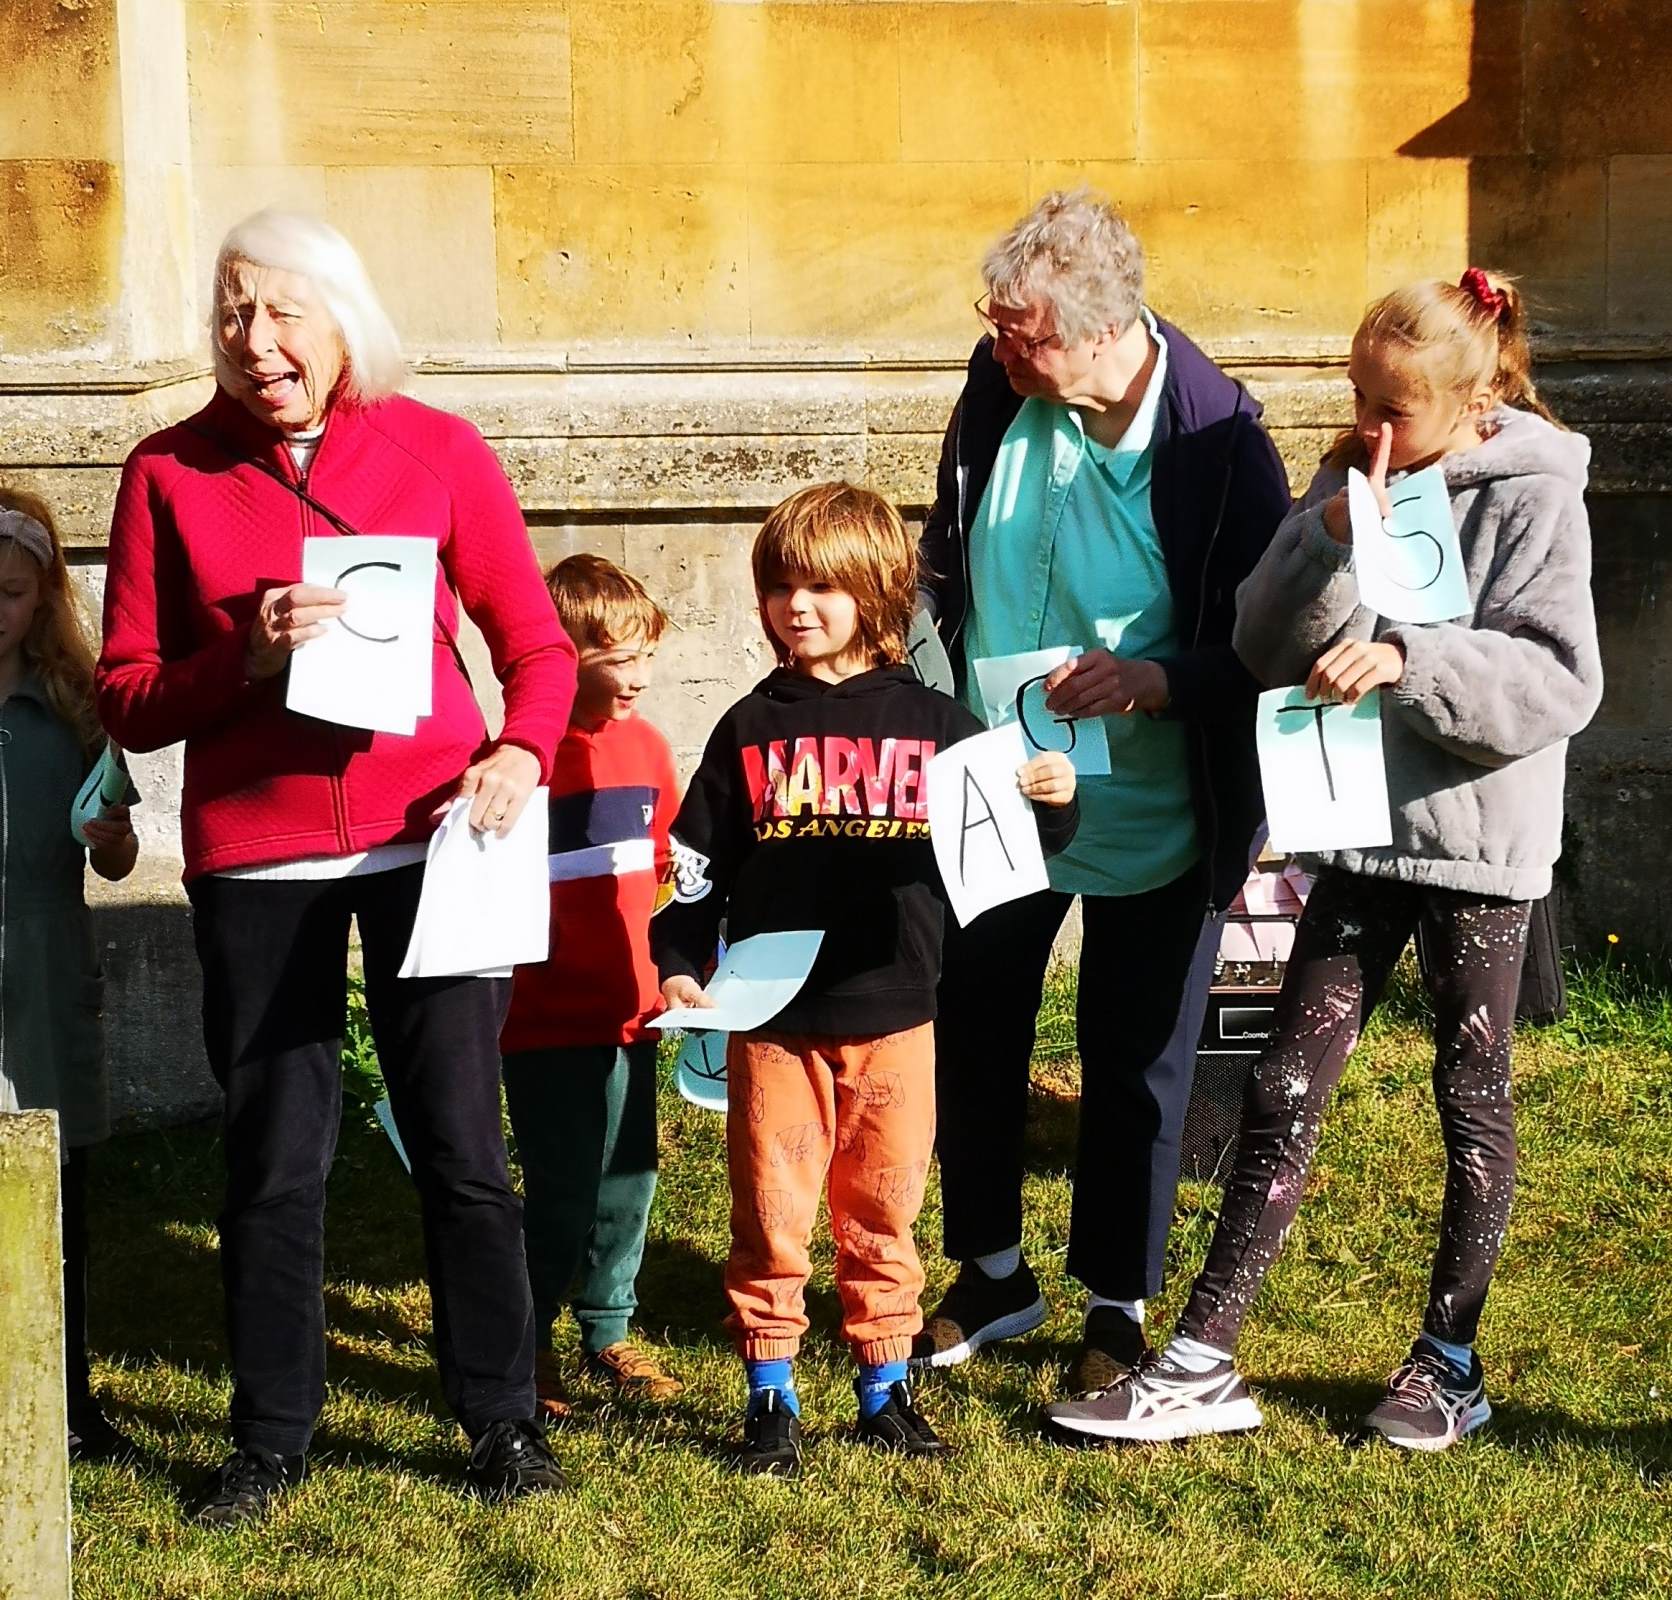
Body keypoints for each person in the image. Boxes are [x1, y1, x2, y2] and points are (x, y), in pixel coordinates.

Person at [1045, 269, 1603, 1451]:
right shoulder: (1350, 475)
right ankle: (1201, 1357)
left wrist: (1411, 661)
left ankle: (1448, 1363)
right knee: (1283, 1084)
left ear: (1475, 398)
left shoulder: (1539, 492)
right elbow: (1259, 643)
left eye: (1393, 408)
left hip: (1476, 850)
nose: (1368, 428)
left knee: (1471, 1095)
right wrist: (1322, 541)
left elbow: (1560, 676)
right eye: (1356, 398)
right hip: (1354, 830)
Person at [96, 210, 578, 1522]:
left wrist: (520, 751)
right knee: (274, 1156)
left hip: (432, 837)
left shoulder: (438, 450)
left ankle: (501, 1419)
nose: (255, 341)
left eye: (282, 313)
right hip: (260, 862)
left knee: (462, 1141)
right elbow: (128, 695)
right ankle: (270, 1439)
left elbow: (538, 649)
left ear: (343, 321)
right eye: (232, 313)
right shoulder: (166, 471)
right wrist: (245, 657)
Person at [914, 189, 1292, 1394]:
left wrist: (1157, 682)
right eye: (994, 325)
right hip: (996, 782)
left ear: (1097, 330)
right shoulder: (998, 390)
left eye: (1019, 330)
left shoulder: (1220, 446)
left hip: (1154, 801)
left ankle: (1114, 1305)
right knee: (973, 1024)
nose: (996, 345)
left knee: (1135, 1057)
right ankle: (989, 1270)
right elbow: (944, 550)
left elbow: (1271, 641)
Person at [653, 483, 1079, 1475]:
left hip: (898, 1018)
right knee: (771, 1209)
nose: (795, 606)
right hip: (774, 1023)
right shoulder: (747, 726)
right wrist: (676, 960)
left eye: (821, 586)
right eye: (779, 586)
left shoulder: (938, 724)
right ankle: (770, 1394)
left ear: (879, 591)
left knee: (884, 1208)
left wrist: (1054, 803)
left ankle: (885, 1390)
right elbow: (698, 864)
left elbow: (1014, 850)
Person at [500, 555, 682, 1419]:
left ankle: (609, 1325)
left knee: (629, 1175)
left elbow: (670, 865)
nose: (637, 677)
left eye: (647, 656)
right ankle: (527, 1339)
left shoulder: (648, 749)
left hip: (630, 1011)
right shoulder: (522, 759)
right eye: (618, 659)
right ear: (559, 656)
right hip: (543, 1019)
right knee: (562, 1185)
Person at [0, 490, 140, 1461]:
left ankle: (67, 1400)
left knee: (54, 1190)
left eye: (10, 594)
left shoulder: (74, 706)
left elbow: (118, 858)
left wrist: (112, 834)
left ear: (43, 598)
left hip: (46, 972)